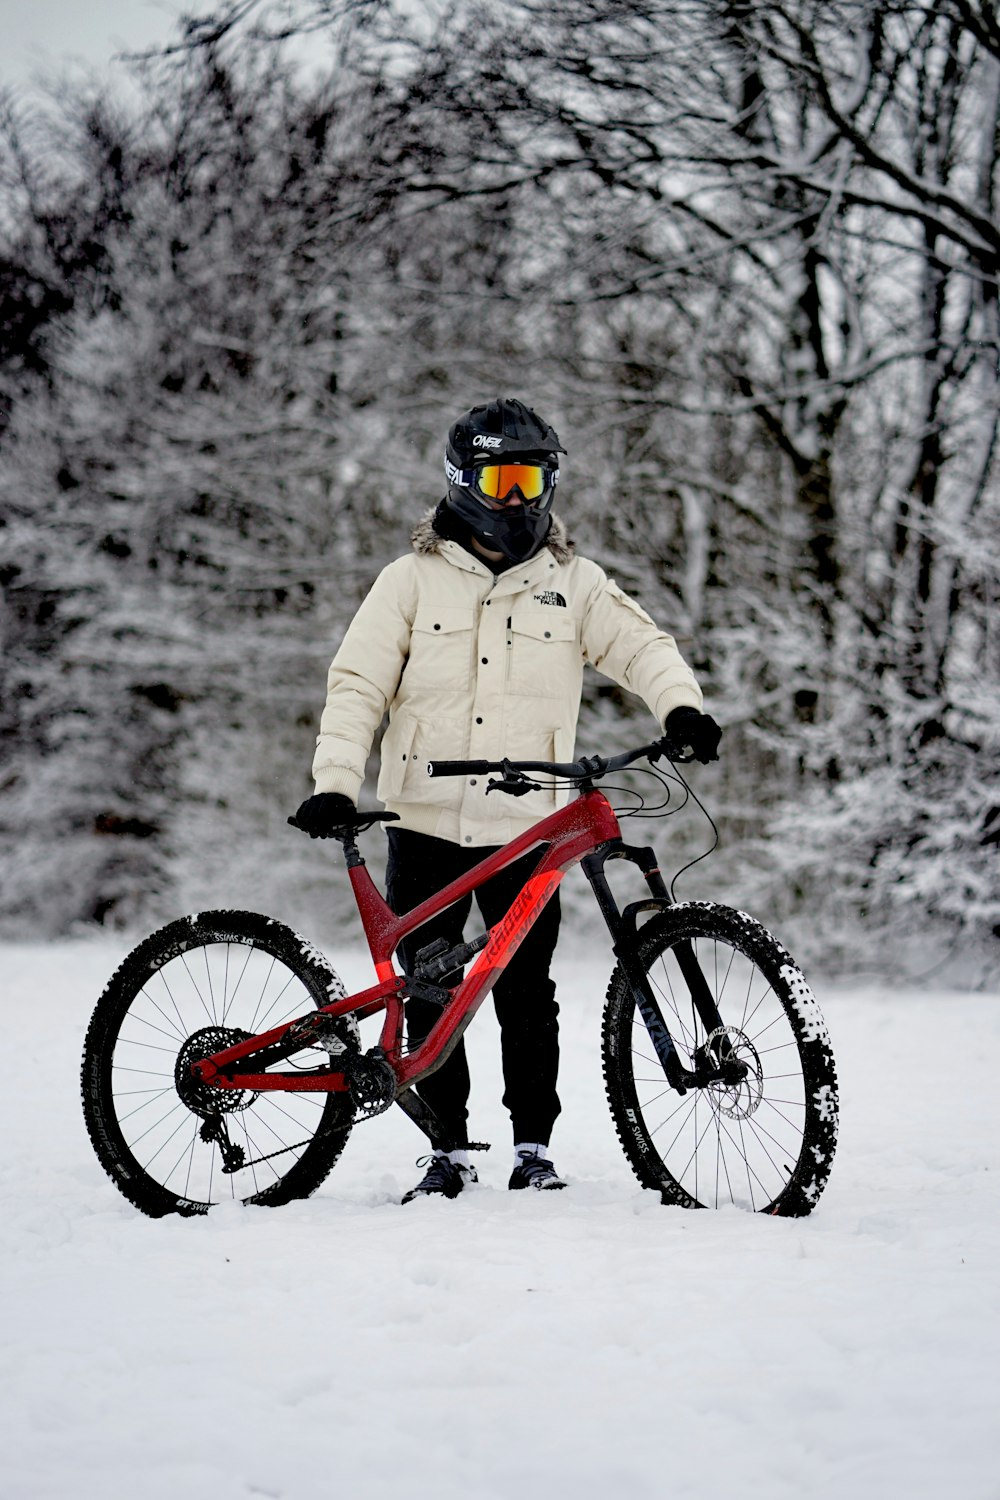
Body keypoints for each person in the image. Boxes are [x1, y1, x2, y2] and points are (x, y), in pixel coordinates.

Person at [294, 397, 721, 1203]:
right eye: (504, 477)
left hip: (526, 827)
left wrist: (681, 707)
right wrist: (334, 784)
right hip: (423, 820)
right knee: (429, 985)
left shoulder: (574, 583)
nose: (520, 497)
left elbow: (642, 646)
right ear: (464, 481)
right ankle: (447, 1150)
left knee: (528, 991)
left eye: (533, 477)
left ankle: (533, 1147)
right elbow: (356, 687)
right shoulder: (409, 582)